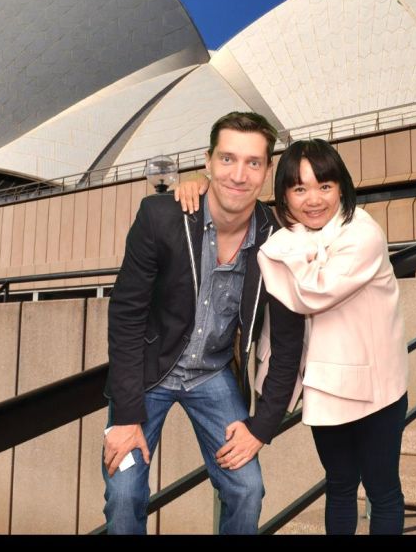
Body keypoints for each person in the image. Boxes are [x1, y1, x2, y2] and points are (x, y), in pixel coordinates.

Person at [175, 138, 408, 535]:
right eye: (299, 188)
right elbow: (235, 199)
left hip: (377, 388)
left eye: (325, 186)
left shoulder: (361, 232)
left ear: (342, 187)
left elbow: (315, 292)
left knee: (382, 489)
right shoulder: (293, 235)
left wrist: (281, 245)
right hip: (326, 383)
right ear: (284, 194)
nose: (313, 199)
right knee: (338, 487)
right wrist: (197, 181)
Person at [102, 111, 306, 535]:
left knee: (247, 488)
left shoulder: (276, 238)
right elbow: (126, 314)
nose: (238, 174)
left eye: (253, 162)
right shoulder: (162, 216)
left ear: (267, 171)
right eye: (228, 159)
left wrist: (261, 429)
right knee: (124, 493)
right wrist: (124, 416)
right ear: (208, 162)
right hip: (148, 373)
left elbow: (288, 344)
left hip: (212, 376)